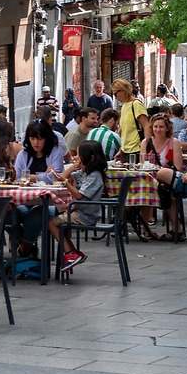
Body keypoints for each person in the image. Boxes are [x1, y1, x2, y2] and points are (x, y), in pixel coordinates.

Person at [48, 141, 108, 271]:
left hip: (86, 216)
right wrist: (70, 168)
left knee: (51, 223)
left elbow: (79, 196)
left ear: (90, 158)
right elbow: (62, 177)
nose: (76, 157)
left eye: (79, 155)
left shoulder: (95, 176)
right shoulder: (84, 172)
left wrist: (66, 183)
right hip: (78, 211)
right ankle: (73, 253)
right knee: (56, 215)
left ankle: (70, 253)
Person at [143, 113, 184, 241]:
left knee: (165, 192)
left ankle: (176, 228)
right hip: (149, 178)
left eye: (161, 127)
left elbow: (178, 167)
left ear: (167, 128)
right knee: (145, 191)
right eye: (155, 126)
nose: (158, 129)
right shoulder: (146, 142)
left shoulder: (174, 143)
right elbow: (142, 165)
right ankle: (145, 228)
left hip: (167, 179)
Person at [112, 79, 150, 163]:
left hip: (136, 150)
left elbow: (146, 125)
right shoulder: (124, 106)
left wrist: (145, 146)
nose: (115, 96)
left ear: (124, 90)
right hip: (125, 151)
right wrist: (121, 149)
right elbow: (125, 131)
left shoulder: (136, 104)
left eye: (116, 92)